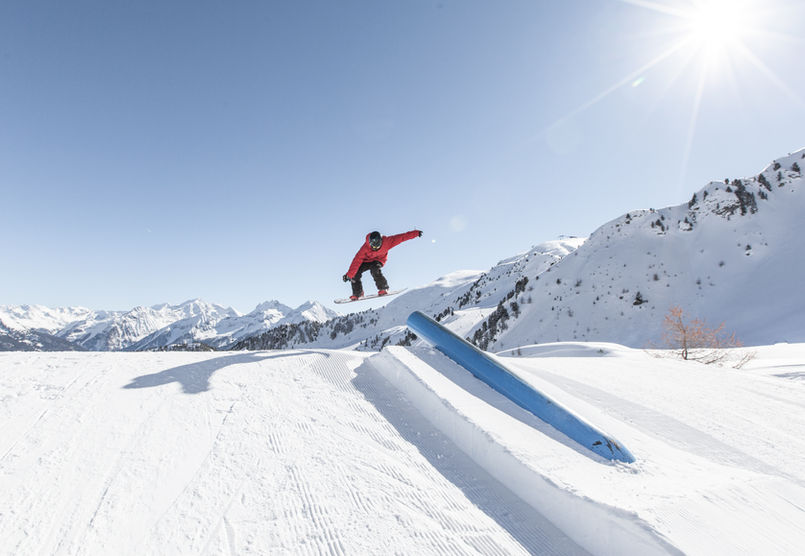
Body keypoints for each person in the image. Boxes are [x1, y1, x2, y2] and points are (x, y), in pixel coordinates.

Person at [343, 230, 422, 300]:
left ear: (381, 242)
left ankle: (384, 288)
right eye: (373, 247)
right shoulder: (364, 249)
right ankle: (358, 293)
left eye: (377, 246)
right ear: (369, 244)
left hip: (378, 260)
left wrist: (416, 233)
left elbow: (402, 237)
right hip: (366, 261)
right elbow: (356, 262)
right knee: (355, 273)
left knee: (375, 269)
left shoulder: (387, 241)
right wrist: (349, 275)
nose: (375, 248)